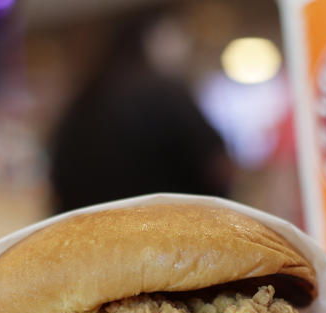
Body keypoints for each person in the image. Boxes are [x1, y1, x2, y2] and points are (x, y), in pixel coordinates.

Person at [48, 10, 233, 213]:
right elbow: (217, 167)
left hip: (89, 236)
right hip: (171, 231)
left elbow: (57, 184)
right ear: (150, 37)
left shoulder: (80, 102)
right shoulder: (165, 92)